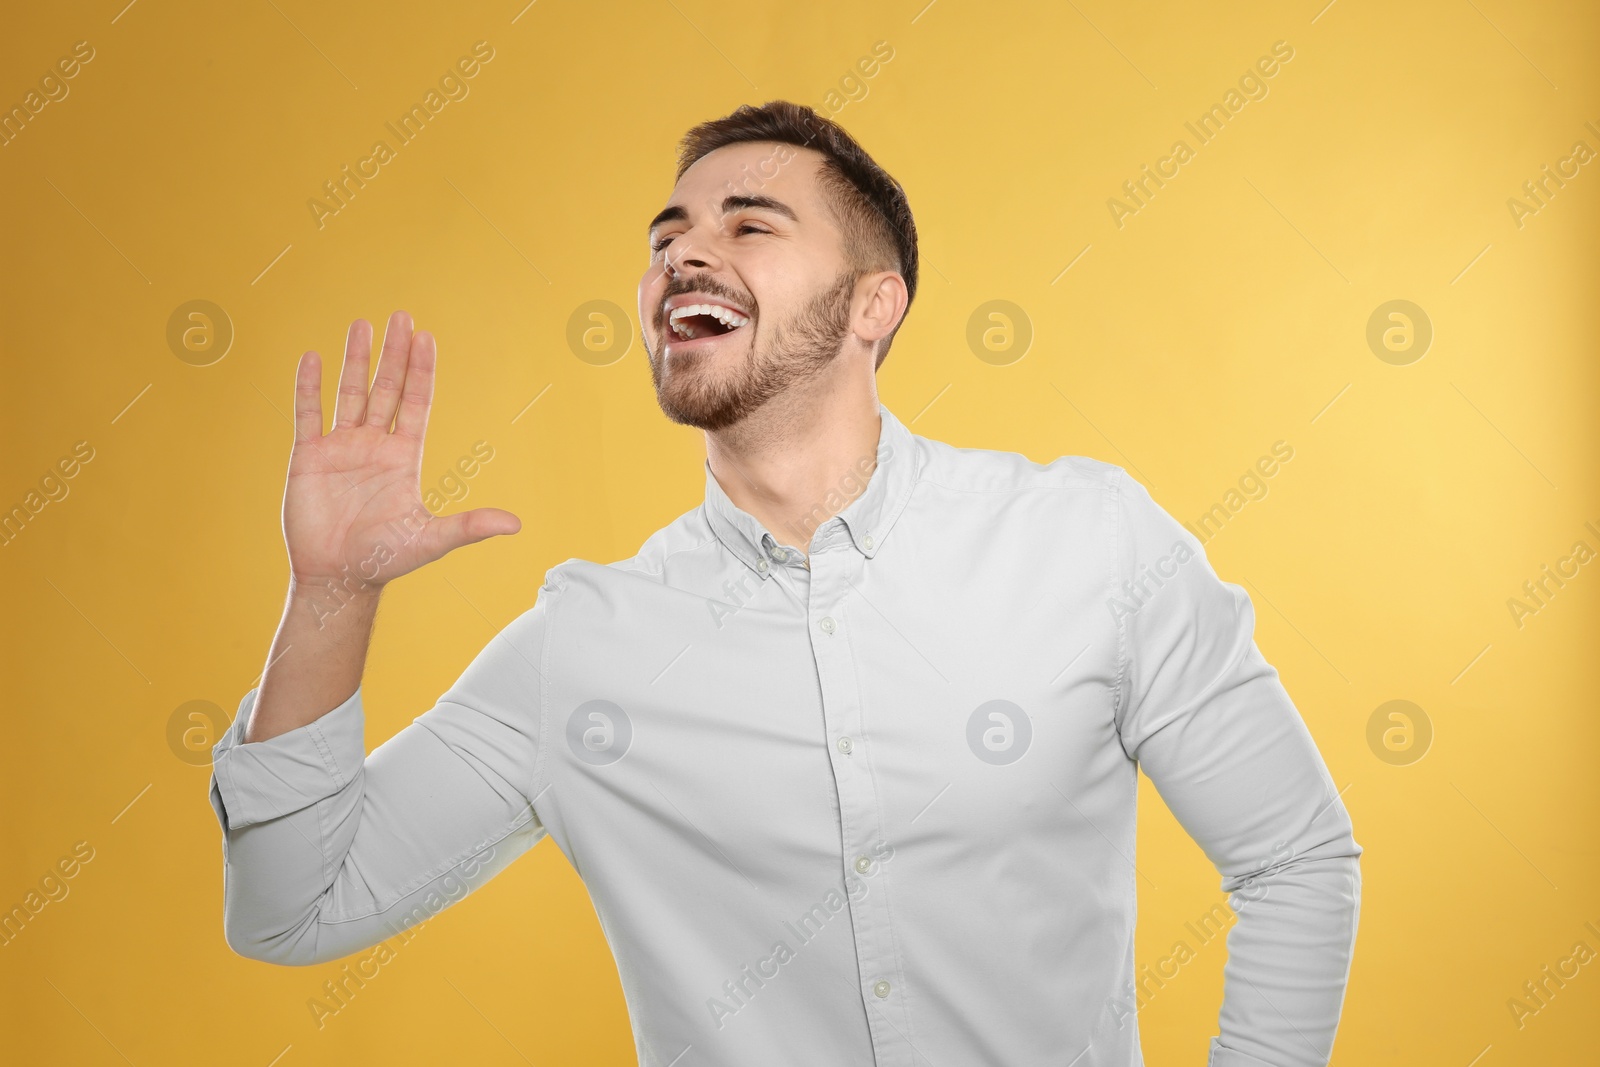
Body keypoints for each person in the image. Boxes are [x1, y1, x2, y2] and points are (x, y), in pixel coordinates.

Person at [209, 100, 1360, 1067]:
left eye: (748, 224)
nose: (683, 255)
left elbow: (1295, 857)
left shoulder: (1085, 541)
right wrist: (334, 593)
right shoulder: (585, 645)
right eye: (666, 236)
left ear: (873, 304)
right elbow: (291, 906)